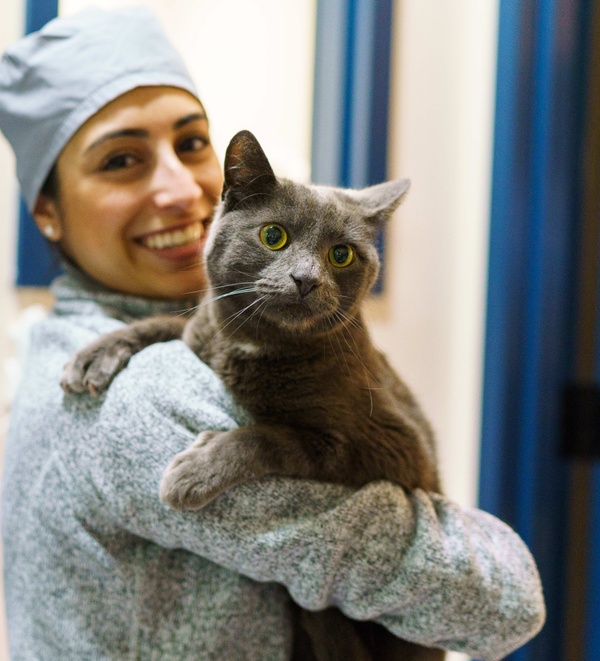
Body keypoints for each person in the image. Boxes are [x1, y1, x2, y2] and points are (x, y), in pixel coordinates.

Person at [0, 7, 545, 660]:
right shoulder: (142, 403)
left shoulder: (58, 342)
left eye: (193, 142)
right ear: (47, 212)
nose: (179, 188)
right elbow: (504, 600)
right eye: (121, 160)